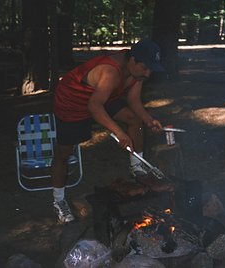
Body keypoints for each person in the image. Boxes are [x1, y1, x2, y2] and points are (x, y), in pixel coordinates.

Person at [51, 39, 165, 223]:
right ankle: (58, 201)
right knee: (63, 153)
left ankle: (137, 167)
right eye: (145, 67)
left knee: (134, 120)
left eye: (151, 69)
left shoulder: (138, 72)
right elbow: (95, 106)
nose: (148, 73)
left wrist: (149, 120)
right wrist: (119, 132)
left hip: (104, 94)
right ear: (133, 60)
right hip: (72, 101)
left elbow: (134, 101)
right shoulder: (111, 72)